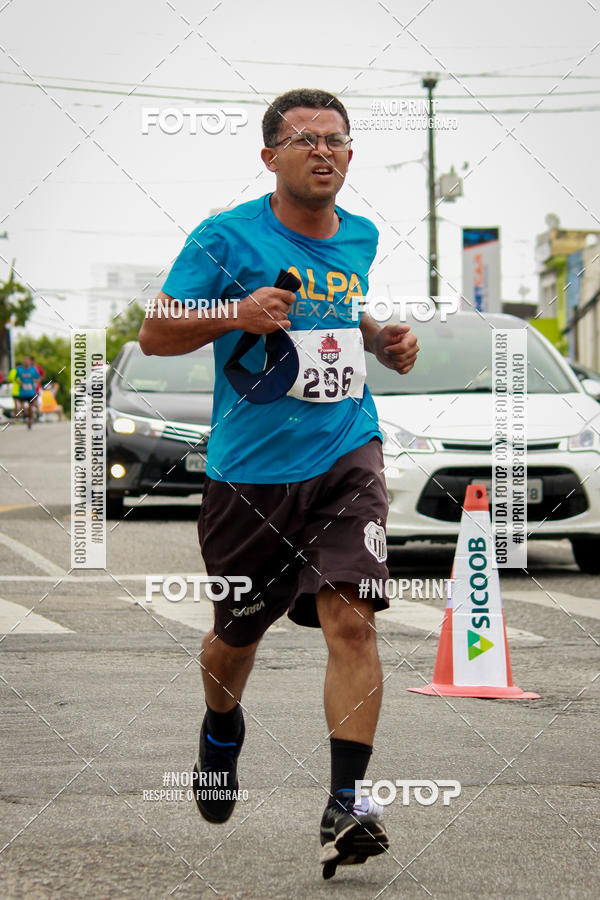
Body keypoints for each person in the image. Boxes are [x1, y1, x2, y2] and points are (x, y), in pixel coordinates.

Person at [139, 88, 419, 880]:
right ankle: (220, 729)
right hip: (251, 476)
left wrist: (381, 341)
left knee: (352, 621)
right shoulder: (224, 238)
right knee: (236, 640)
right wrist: (238, 313)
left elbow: (344, 308)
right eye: (304, 139)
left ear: (350, 153)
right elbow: (155, 333)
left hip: (346, 452)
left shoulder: (360, 235)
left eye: (336, 139)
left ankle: (347, 804)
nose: (323, 150)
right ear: (270, 157)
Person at [15, 355, 40, 428]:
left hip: (31, 392)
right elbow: (16, 378)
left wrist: (35, 381)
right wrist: (19, 382)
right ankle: (25, 415)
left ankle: (30, 420)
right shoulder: (19, 369)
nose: (26, 362)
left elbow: (38, 378)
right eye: (24, 361)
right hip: (22, 392)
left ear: (30, 362)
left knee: (30, 407)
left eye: (27, 361)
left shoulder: (33, 369)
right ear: (23, 362)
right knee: (22, 406)